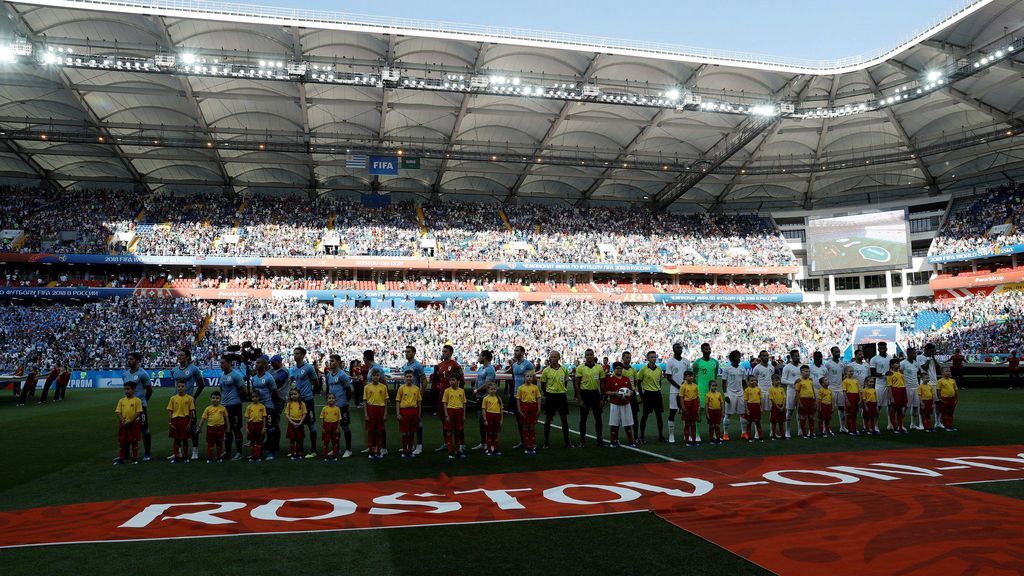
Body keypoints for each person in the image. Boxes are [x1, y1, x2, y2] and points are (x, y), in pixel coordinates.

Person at [171, 348, 207, 461]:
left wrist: (193, 397)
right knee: (176, 426)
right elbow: (176, 385)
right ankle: (178, 451)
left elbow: (202, 384)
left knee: (192, 426)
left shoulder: (194, 369)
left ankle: (195, 450)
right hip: (177, 403)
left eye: (182, 355)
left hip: (189, 402)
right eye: (179, 355)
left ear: (187, 357)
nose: (180, 357)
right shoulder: (174, 370)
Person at [121, 352, 154, 461]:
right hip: (127, 406)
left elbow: (149, 389)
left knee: (144, 429)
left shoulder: (142, 374)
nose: (129, 360)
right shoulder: (125, 374)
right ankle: (125, 454)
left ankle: (147, 453)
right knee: (126, 428)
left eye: (131, 359)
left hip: (140, 406)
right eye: (128, 359)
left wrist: (144, 401)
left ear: (137, 360)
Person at [291, 347, 322, 459]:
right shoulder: (294, 369)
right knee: (299, 424)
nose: (295, 356)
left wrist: (311, 393)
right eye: (294, 353)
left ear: (303, 355)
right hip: (298, 401)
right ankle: (300, 449)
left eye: (298, 353)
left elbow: (316, 382)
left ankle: (313, 450)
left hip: (308, 400)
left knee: (311, 424)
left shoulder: (309, 368)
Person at [250, 355, 281, 460]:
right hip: (257, 408)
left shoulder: (269, 377)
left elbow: (274, 393)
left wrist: (272, 405)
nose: (256, 364)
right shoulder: (253, 379)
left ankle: (272, 452)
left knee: (270, 429)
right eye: (256, 363)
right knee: (259, 430)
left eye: (258, 363)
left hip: (268, 406)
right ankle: (259, 451)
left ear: (263, 365)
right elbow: (254, 393)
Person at [574, 348, 606, 447]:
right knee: (583, 418)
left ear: (594, 355)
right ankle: (582, 440)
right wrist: (579, 398)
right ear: (585, 356)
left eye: (591, 354)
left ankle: (599, 439)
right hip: (585, 394)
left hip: (595, 394)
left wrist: (602, 397)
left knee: (598, 418)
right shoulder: (580, 368)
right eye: (587, 355)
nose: (589, 356)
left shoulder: (599, 367)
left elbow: (602, 383)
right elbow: (577, 383)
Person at [431, 344, 461, 451]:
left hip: (454, 397)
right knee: (444, 419)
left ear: (451, 353)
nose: (443, 353)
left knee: (457, 422)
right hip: (442, 396)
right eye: (443, 351)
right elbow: (437, 379)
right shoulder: (439, 365)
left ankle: (460, 445)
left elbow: (461, 379)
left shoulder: (455, 365)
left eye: (446, 351)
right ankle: (446, 443)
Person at [324, 354, 353, 458]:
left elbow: (349, 390)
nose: (330, 363)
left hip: (342, 405)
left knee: (345, 427)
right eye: (330, 361)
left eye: (332, 361)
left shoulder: (342, 375)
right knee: (334, 428)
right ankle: (337, 448)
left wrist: (345, 402)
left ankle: (349, 450)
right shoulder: (328, 375)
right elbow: (328, 389)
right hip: (332, 406)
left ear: (338, 362)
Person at [540, 351, 571, 449]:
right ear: (549, 358)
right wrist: (547, 394)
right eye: (551, 357)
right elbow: (543, 384)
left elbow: (565, 382)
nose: (553, 359)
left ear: (559, 358)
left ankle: (567, 442)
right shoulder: (546, 370)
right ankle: (546, 443)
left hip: (561, 396)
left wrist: (561, 390)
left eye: (555, 357)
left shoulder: (564, 369)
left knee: (564, 419)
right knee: (548, 419)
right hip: (551, 396)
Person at [400, 345, 427, 455]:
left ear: (414, 353)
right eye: (406, 352)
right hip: (407, 399)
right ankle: (407, 446)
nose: (406, 353)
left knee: (418, 422)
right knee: (407, 424)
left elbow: (424, 381)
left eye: (409, 352)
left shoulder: (418, 365)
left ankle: (419, 445)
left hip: (415, 398)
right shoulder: (404, 365)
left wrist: (419, 396)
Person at [508, 346, 535, 449]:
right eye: (514, 350)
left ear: (523, 352)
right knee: (519, 419)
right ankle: (523, 441)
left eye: (517, 351)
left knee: (529, 421)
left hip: (527, 396)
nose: (515, 352)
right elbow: (514, 378)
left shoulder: (528, 364)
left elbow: (533, 380)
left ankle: (532, 442)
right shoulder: (514, 365)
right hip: (516, 395)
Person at [219, 355, 245, 460]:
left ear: (229, 363)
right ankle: (228, 452)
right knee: (227, 430)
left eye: (223, 363)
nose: (221, 365)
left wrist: (236, 400)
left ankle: (239, 453)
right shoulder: (222, 375)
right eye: (220, 363)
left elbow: (243, 390)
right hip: (224, 406)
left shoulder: (236, 375)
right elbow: (222, 389)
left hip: (234, 406)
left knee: (236, 429)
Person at [664, 342, 691, 444]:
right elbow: (669, 377)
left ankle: (686, 434)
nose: (679, 349)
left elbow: (689, 375)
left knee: (686, 412)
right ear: (673, 349)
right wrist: (679, 387)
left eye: (680, 348)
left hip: (686, 390)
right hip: (674, 390)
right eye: (677, 348)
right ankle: (671, 435)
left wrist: (685, 386)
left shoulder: (686, 361)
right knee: (673, 412)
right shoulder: (670, 362)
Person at [692, 342, 719, 442]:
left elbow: (715, 377)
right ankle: (697, 434)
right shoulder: (697, 363)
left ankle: (714, 434)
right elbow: (693, 376)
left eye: (709, 349)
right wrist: (698, 386)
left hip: (712, 392)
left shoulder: (715, 362)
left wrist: (713, 387)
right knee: (700, 413)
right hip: (701, 392)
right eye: (706, 349)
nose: (708, 351)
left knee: (713, 413)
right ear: (702, 350)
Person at [604, 362, 635, 448]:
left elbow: (630, 390)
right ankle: (613, 441)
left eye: (620, 368)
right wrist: (615, 393)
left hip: (626, 404)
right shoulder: (611, 379)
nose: (619, 370)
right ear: (614, 369)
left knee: (628, 423)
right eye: (617, 368)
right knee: (614, 423)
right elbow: (606, 391)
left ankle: (630, 441)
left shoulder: (626, 379)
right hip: (615, 404)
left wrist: (630, 393)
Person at [637, 351, 665, 444]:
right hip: (648, 394)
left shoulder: (659, 369)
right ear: (647, 359)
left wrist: (659, 390)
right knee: (645, 416)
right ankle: (642, 436)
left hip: (657, 394)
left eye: (654, 357)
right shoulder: (643, 369)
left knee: (659, 416)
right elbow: (638, 383)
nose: (653, 358)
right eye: (651, 357)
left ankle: (661, 436)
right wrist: (642, 396)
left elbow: (659, 382)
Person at [471, 350, 497, 451]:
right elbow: (477, 380)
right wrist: (476, 391)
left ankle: (490, 443)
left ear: (485, 357)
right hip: (480, 397)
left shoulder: (490, 369)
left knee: (487, 421)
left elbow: (488, 384)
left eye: (480, 356)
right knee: (481, 420)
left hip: (487, 397)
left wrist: (477, 390)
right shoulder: (481, 368)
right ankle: (483, 443)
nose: (478, 358)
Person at [166, 381, 195, 463]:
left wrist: (189, 423)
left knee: (185, 439)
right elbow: (170, 411)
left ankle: (185, 457)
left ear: (186, 387)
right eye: (179, 386)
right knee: (176, 440)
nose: (180, 388)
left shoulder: (189, 398)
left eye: (182, 386)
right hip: (175, 420)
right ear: (176, 387)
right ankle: (176, 457)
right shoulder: (173, 398)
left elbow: (191, 412)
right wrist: (170, 423)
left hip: (185, 420)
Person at [395, 370, 422, 458]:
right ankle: (404, 450)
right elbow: (398, 401)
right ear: (404, 378)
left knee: (412, 432)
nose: (409, 378)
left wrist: (419, 413)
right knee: (404, 432)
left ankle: (410, 450)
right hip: (404, 411)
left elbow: (419, 402)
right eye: (407, 377)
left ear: (413, 378)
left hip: (413, 411)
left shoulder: (416, 389)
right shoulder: (401, 388)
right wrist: (398, 413)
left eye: (410, 376)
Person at [363, 369, 389, 459]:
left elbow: (385, 401)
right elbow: (365, 402)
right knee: (371, 431)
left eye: (377, 375)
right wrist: (366, 414)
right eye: (374, 375)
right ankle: (371, 451)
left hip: (380, 409)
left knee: (379, 431)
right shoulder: (367, 387)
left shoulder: (383, 387)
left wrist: (385, 413)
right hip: (371, 409)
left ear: (379, 376)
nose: (375, 377)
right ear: (371, 376)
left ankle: (378, 450)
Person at [115, 383, 143, 465]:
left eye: (128, 389)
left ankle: (135, 458)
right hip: (123, 423)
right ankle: (121, 458)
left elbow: (138, 412)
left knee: (134, 441)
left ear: (134, 390)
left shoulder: (137, 400)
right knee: (122, 442)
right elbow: (118, 411)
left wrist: (130, 421)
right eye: (125, 389)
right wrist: (123, 421)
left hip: (134, 423)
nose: (126, 391)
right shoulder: (121, 400)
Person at [722, 350, 747, 441]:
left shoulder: (742, 369)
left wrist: (746, 393)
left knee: (743, 414)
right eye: (736, 357)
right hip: (730, 393)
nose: (738, 358)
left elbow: (744, 382)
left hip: (740, 393)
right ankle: (725, 434)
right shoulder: (727, 369)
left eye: (739, 356)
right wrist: (725, 395)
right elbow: (724, 382)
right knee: (728, 414)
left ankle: (744, 433)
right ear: (732, 359)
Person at [442, 372, 467, 458]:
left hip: (459, 411)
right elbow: (445, 403)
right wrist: (446, 415)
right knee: (449, 431)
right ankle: (449, 451)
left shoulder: (461, 391)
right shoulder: (447, 391)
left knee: (458, 431)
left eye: (453, 380)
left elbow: (464, 403)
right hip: (450, 411)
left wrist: (463, 415)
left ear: (458, 381)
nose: (451, 382)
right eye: (450, 380)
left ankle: (458, 451)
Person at [516, 370, 541, 454]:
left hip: (533, 407)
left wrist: (539, 408)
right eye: (527, 376)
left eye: (531, 376)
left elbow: (538, 398)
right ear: (524, 378)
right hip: (524, 407)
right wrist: (519, 409)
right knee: (525, 426)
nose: (529, 378)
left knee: (532, 427)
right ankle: (527, 446)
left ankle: (532, 445)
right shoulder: (521, 388)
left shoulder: (535, 387)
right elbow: (518, 399)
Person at [901, 348, 926, 430]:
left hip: (916, 387)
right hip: (907, 387)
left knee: (915, 406)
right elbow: (899, 374)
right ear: (908, 354)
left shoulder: (916, 363)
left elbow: (919, 372)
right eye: (913, 353)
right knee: (905, 406)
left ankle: (913, 424)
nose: (914, 355)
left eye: (915, 353)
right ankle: (900, 424)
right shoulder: (903, 363)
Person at [869, 342, 893, 431]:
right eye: (880, 348)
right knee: (878, 406)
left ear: (886, 348)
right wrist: (884, 374)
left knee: (890, 405)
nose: (882, 350)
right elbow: (872, 373)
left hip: (890, 385)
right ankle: (875, 425)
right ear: (878, 349)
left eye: (884, 348)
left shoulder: (890, 358)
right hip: (880, 385)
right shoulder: (874, 359)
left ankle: (890, 424)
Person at [199, 391, 228, 462]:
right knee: (210, 443)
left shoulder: (223, 408)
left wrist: (228, 428)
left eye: (217, 398)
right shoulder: (208, 408)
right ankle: (210, 457)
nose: (215, 399)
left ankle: (219, 457)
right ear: (210, 399)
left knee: (219, 443)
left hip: (220, 428)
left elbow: (226, 419)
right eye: (213, 398)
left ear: (220, 399)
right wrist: (200, 426)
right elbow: (203, 418)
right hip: (210, 428)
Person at [824, 346, 847, 432]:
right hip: (831, 388)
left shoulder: (842, 363)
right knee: (830, 409)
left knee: (842, 408)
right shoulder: (828, 364)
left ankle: (842, 427)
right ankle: (826, 427)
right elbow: (825, 375)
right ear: (832, 353)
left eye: (839, 351)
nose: (838, 353)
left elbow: (844, 374)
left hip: (840, 388)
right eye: (836, 352)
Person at [780, 350, 802, 438]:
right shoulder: (787, 367)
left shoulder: (801, 366)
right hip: (791, 391)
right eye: (795, 356)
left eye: (798, 356)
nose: (797, 357)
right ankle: (787, 431)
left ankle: (800, 429)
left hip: (801, 392)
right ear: (791, 357)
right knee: (789, 411)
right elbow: (782, 380)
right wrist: (793, 383)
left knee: (800, 411)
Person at [621, 351, 640, 439]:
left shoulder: (633, 369)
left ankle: (636, 436)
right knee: (624, 417)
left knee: (635, 416)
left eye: (629, 358)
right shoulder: (620, 370)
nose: (628, 359)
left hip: (631, 395)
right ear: (623, 358)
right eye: (626, 358)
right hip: (622, 396)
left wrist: (634, 389)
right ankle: (628, 436)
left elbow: (636, 381)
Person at [284, 388, 308, 460]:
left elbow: (304, 414)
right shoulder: (289, 404)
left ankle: (298, 453)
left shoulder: (302, 404)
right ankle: (292, 453)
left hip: (299, 423)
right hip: (292, 423)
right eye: (291, 394)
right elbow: (287, 414)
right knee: (292, 439)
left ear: (299, 395)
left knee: (299, 440)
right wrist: (292, 422)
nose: (293, 396)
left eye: (295, 394)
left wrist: (300, 422)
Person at [678, 371, 700, 446]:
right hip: (687, 404)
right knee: (687, 423)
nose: (690, 377)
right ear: (685, 377)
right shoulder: (683, 386)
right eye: (688, 376)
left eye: (691, 376)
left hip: (694, 404)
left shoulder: (695, 386)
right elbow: (681, 397)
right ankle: (687, 440)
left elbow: (697, 397)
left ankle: (694, 440)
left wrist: (698, 406)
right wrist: (683, 407)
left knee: (693, 423)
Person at [886, 358, 908, 434]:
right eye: (897, 363)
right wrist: (891, 398)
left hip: (902, 390)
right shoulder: (890, 374)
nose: (899, 364)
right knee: (893, 409)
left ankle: (900, 426)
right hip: (895, 391)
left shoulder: (901, 372)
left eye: (899, 363)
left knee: (900, 410)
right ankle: (894, 427)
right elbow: (889, 386)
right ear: (892, 365)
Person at [794, 365, 816, 438]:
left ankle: (811, 432)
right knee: (803, 417)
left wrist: (814, 399)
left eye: (809, 371)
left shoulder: (810, 380)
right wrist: (799, 401)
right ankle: (804, 433)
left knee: (812, 416)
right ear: (801, 372)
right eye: (806, 371)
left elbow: (813, 390)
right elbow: (797, 392)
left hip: (811, 400)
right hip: (803, 400)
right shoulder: (799, 381)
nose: (808, 373)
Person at [481, 383, 503, 456]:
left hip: (497, 416)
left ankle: (496, 449)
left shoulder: (498, 398)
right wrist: (485, 419)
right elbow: (484, 409)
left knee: (495, 433)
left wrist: (501, 419)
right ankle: (489, 449)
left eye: (494, 389)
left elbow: (501, 410)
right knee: (489, 433)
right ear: (488, 390)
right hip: (489, 416)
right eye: (491, 389)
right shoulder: (485, 398)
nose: (493, 390)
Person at [245, 392, 267, 462]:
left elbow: (264, 417)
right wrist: (246, 427)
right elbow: (247, 418)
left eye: (256, 397)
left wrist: (264, 427)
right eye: (253, 397)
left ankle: (258, 456)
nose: (254, 398)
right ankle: (252, 455)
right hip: (251, 424)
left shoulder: (262, 406)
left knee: (258, 441)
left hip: (259, 424)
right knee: (252, 441)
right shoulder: (249, 407)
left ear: (259, 397)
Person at [321, 393, 343, 460]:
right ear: (327, 400)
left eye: (333, 398)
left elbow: (339, 419)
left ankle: (334, 456)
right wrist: (322, 427)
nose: (331, 400)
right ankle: (325, 456)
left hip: (334, 426)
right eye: (329, 398)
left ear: (335, 399)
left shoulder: (337, 409)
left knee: (334, 442)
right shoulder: (324, 408)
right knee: (326, 442)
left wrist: (338, 428)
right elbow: (322, 418)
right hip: (326, 426)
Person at [937, 367, 959, 431]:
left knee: (951, 413)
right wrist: (940, 399)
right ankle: (947, 426)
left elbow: (956, 390)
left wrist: (956, 398)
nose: (948, 372)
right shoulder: (940, 381)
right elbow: (938, 390)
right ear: (942, 373)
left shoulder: (952, 380)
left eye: (949, 371)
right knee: (945, 413)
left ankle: (951, 425)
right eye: (946, 371)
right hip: (944, 399)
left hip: (952, 399)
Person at [841, 367, 861, 435]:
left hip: (856, 398)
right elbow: (844, 391)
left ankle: (854, 428)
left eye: (852, 371)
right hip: (849, 397)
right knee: (849, 414)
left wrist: (860, 399)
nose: (851, 372)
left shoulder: (856, 381)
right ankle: (850, 429)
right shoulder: (845, 381)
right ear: (846, 372)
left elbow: (858, 391)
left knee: (854, 414)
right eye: (850, 371)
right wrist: (846, 400)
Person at [705, 380, 724, 445]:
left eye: (715, 386)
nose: (714, 387)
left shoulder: (719, 394)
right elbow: (706, 405)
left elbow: (721, 403)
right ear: (709, 386)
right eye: (713, 385)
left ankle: (718, 439)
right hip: (711, 411)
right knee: (712, 426)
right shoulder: (708, 395)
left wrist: (722, 412)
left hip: (718, 411)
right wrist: (707, 413)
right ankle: (711, 439)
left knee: (717, 426)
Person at [743, 378, 763, 442]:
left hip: (757, 407)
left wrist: (761, 407)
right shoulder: (747, 390)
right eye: (751, 381)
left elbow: (761, 399)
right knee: (749, 423)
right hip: (750, 406)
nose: (753, 382)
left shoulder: (758, 389)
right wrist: (747, 409)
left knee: (758, 422)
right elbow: (745, 400)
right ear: (748, 382)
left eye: (754, 380)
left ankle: (760, 437)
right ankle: (749, 437)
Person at [768, 374, 786, 440]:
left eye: (778, 380)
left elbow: (784, 397)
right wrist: (777, 406)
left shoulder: (782, 389)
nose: (778, 381)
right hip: (775, 407)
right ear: (772, 381)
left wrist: (783, 405)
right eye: (776, 380)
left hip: (782, 406)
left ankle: (783, 435)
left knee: (781, 422)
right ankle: (773, 436)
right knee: (774, 422)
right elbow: (771, 399)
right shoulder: (771, 389)